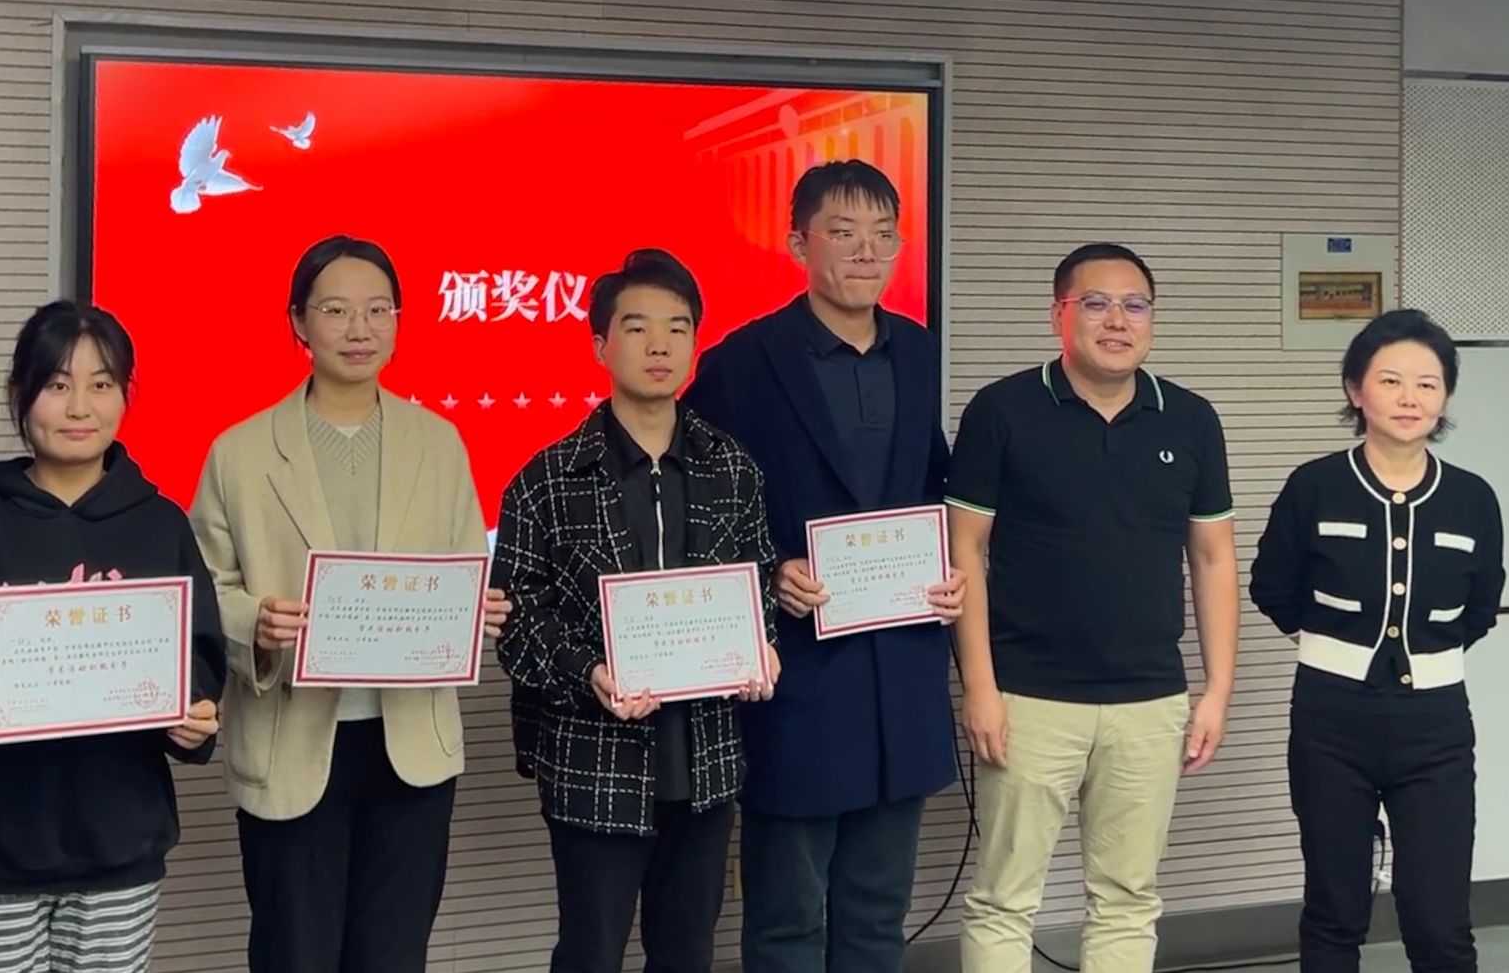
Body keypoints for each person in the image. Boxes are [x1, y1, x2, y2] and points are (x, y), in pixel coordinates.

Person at [190, 235, 510, 973]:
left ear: (399, 321)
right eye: (336, 310)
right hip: (292, 741)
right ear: (299, 322)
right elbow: (207, 591)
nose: (359, 328)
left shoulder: (439, 442)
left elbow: (463, 564)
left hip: (411, 748)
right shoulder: (240, 451)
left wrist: (474, 610)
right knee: (293, 953)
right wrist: (254, 623)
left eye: (378, 309)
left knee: (393, 954)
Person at [683, 160, 965, 973]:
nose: (867, 251)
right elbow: (692, 501)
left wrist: (950, 566)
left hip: (901, 673)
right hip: (799, 678)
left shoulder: (917, 350)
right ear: (799, 243)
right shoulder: (744, 361)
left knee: (880, 912)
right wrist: (767, 568)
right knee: (787, 915)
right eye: (844, 232)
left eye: (883, 234)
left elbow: (931, 481)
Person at [0, 301, 223, 973]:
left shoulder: (160, 523)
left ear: (126, 395)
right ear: (19, 393)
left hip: (118, 852)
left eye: (102, 384)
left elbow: (199, 660)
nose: (80, 407)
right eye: (56, 384)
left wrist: (192, 721)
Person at [946, 242, 1239, 973]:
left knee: (1128, 898)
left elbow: (1213, 558)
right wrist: (980, 687)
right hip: (1028, 698)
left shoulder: (1191, 420)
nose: (1117, 320)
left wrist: (1217, 691)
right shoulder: (1001, 410)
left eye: (1134, 305)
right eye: (1096, 303)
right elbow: (964, 551)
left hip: (1150, 700)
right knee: (1004, 899)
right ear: (1059, 314)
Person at [496, 248, 780, 973]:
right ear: (600, 344)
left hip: (706, 763)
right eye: (637, 327)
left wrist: (763, 648)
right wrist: (588, 670)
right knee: (590, 952)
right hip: (594, 765)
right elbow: (519, 622)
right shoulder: (546, 479)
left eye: (678, 328)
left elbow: (759, 582)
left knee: (687, 952)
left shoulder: (732, 466)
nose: (660, 345)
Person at [1250, 309, 1504, 973]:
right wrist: (1336, 650)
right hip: (1330, 721)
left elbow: (1482, 606)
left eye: (1427, 383)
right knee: (1334, 912)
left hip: (1436, 726)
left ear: (1445, 396)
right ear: (1355, 389)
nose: (1409, 397)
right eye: (1390, 380)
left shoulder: (1473, 498)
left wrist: (1422, 656)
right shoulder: (1314, 485)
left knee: (1441, 922)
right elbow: (1272, 585)